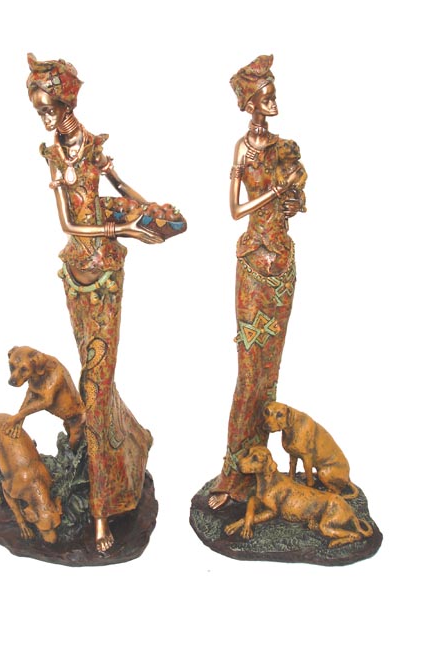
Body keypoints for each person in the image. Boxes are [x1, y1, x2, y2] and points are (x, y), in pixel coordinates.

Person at [26, 54, 185, 551]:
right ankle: (128, 444)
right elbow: (69, 223)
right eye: (38, 110)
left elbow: (120, 190)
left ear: (67, 102)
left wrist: (149, 213)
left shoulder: (91, 146)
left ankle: (103, 508)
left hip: (107, 274)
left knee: (96, 386)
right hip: (78, 274)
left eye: (49, 108)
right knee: (94, 379)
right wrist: (126, 229)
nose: (45, 118)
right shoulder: (54, 155)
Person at [208, 54, 306, 509]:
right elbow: (235, 210)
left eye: (273, 95)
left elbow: (297, 201)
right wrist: (274, 192)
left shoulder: (285, 147)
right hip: (252, 264)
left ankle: (257, 470)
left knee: (270, 373)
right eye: (265, 97)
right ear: (249, 103)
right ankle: (232, 472)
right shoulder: (242, 150)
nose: (272, 103)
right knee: (249, 374)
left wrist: (293, 201)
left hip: (282, 264)